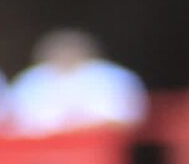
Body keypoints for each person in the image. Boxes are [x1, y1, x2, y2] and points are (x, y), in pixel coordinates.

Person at [8, 28, 146, 135]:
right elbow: (12, 122)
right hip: (39, 149)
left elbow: (126, 121)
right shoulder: (31, 79)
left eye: (70, 49)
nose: (64, 54)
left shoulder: (113, 77)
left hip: (96, 146)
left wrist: (74, 129)